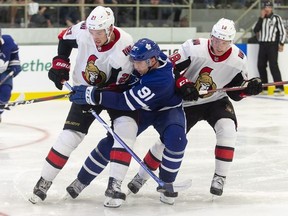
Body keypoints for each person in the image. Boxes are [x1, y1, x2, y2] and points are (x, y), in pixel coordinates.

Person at [126, 18, 263, 197]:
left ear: (231, 41)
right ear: (211, 36)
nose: (220, 46)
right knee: (167, 141)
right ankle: (141, 176)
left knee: (228, 129)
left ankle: (220, 177)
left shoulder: (238, 60)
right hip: (188, 102)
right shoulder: (193, 47)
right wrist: (182, 83)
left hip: (216, 101)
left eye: (225, 42)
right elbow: (167, 68)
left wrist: (248, 89)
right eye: (216, 40)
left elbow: (235, 94)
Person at [29, 6, 138, 205]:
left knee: (125, 132)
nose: (94, 36)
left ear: (110, 28)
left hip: (115, 92)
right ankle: (44, 181)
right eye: (92, 31)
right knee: (68, 137)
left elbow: (113, 82)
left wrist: (93, 96)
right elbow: (64, 39)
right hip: (84, 89)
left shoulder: (124, 43)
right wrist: (60, 64)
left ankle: (114, 185)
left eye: (99, 32)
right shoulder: (83, 29)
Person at [67, 38, 189, 206]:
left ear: (152, 61)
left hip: (167, 110)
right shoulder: (153, 57)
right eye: (134, 61)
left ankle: (166, 183)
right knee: (112, 142)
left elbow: (125, 102)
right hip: (143, 109)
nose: (135, 65)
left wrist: (95, 96)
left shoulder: (160, 80)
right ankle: (81, 181)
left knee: (177, 139)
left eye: (139, 63)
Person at [253, 1, 286, 96]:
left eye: (268, 7)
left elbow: (282, 32)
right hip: (262, 44)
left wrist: (281, 43)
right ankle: (265, 87)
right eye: (265, 7)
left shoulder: (276, 18)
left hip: (272, 44)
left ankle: (279, 88)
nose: (266, 9)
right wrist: (261, 18)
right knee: (261, 65)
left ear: (271, 8)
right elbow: (255, 30)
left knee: (273, 66)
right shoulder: (261, 19)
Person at [0, 28, 22, 123]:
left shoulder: (8, 41)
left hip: (4, 71)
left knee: (5, 93)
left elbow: (14, 56)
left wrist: (15, 65)